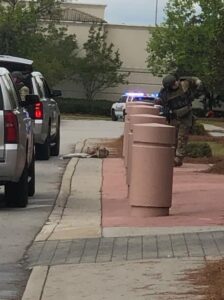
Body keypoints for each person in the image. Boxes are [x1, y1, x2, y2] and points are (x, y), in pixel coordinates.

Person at [158, 73, 203, 167]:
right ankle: (172, 156)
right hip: (174, 115)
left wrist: (197, 88)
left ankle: (178, 158)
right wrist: (166, 112)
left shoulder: (184, 83)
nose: (176, 84)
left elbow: (196, 81)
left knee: (182, 137)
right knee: (173, 137)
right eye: (173, 84)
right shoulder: (165, 93)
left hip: (186, 114)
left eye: (176, 82)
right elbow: (162, 104)